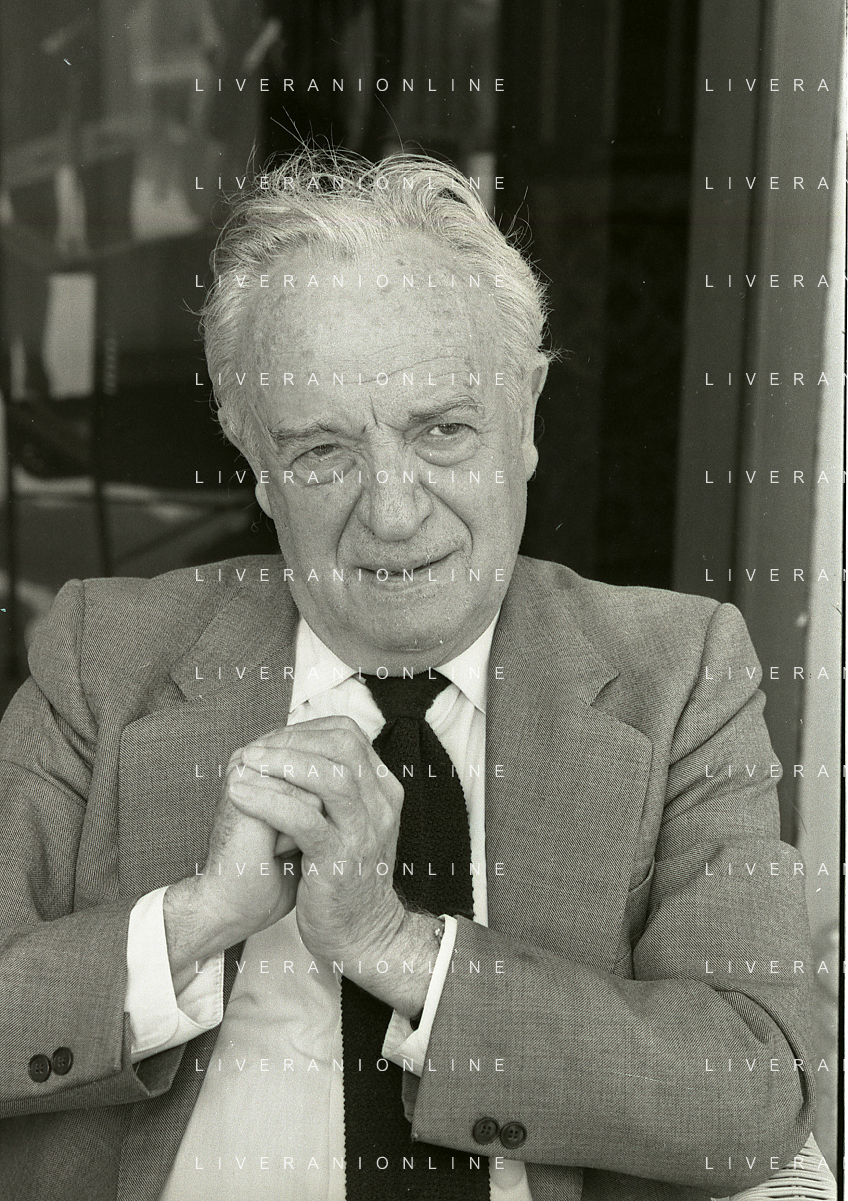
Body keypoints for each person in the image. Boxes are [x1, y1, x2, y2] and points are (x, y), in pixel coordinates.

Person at [0, 149, 814, 1201]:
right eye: (322, 452)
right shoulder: (105, 656)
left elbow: (753, 1088)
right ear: (255, 462)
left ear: (526, 415)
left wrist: (397, 947)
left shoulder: (678, 675)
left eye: (443, 431)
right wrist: (193, 920)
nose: (392, 510)